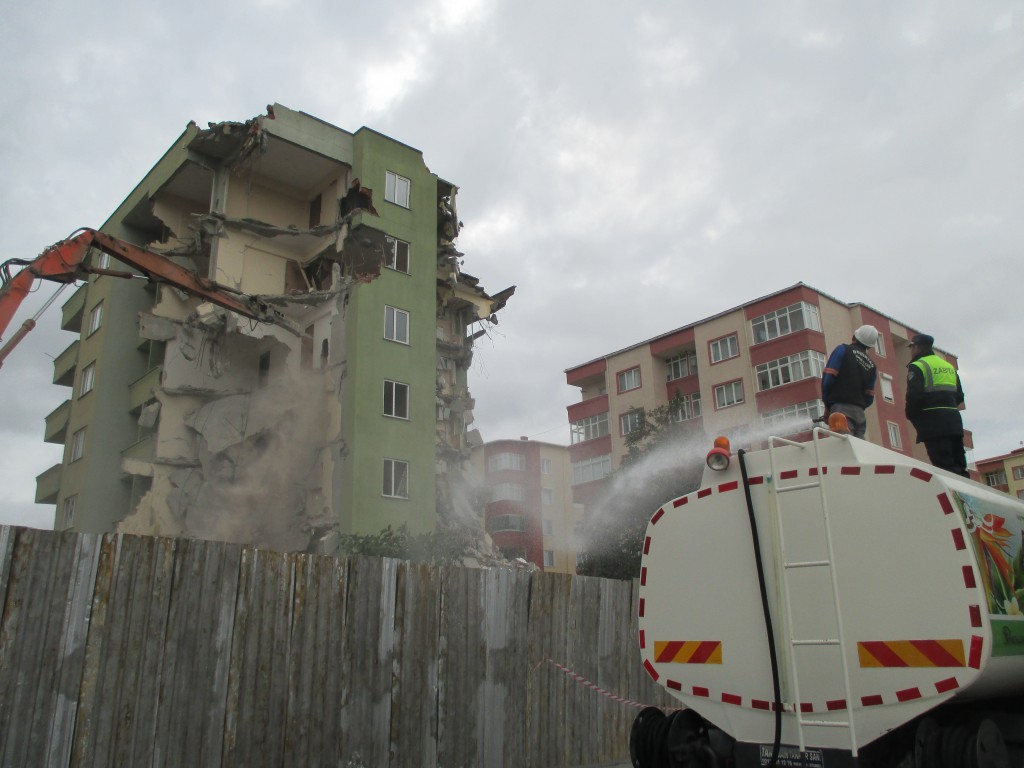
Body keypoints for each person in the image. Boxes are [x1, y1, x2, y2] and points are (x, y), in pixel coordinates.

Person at [905, 333, 969, 477]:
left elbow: (915, 395)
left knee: (944, 466)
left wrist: (910, 414)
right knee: (960, 465)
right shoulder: (948, 366)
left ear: (917, 347)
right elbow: (960, 396)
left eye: (911, 347)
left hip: (933, 423)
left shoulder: (918, 366)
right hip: (954, 421)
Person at [821, 324, 879, 439]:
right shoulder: (872, 366)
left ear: (854, 336)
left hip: (840, 410)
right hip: (860, 415)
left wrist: (827, 406)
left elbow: (828, 378)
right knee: (858, 449)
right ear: (870, 346)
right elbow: (869, 398)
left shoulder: (842, 349)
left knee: (842, 448)